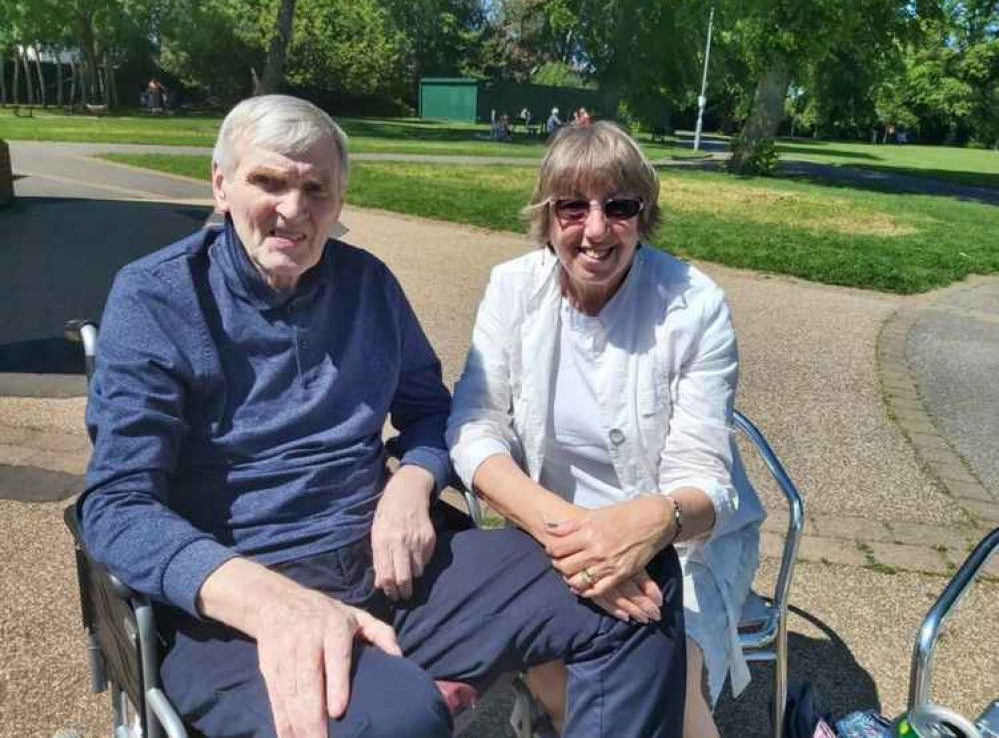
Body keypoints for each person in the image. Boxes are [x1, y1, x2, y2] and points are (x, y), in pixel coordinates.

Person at [79, 95, 688, 738]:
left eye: (317, 188)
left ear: (340, 199)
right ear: (221, 185)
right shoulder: (158, 298)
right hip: (235, 609)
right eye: (269, 181)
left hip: (387, 572)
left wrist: (414, 481)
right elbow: (117, 506)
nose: (293, 209)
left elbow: (431, 412)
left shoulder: (367, 284)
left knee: (635, 581)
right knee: (398, 717)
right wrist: (273, 603)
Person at [447, 121, 765, 738]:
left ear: (644, 217)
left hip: (678, 539)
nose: (595, 229)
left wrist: (643, 531)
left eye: (619, 206)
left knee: (672, 697)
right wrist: (575, 543)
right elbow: (474, 425)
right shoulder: (512, 288)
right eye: (572, 205)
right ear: (547, 214)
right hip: (548, 536)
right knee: (558, 679)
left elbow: (706, 484)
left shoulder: (694, 305)